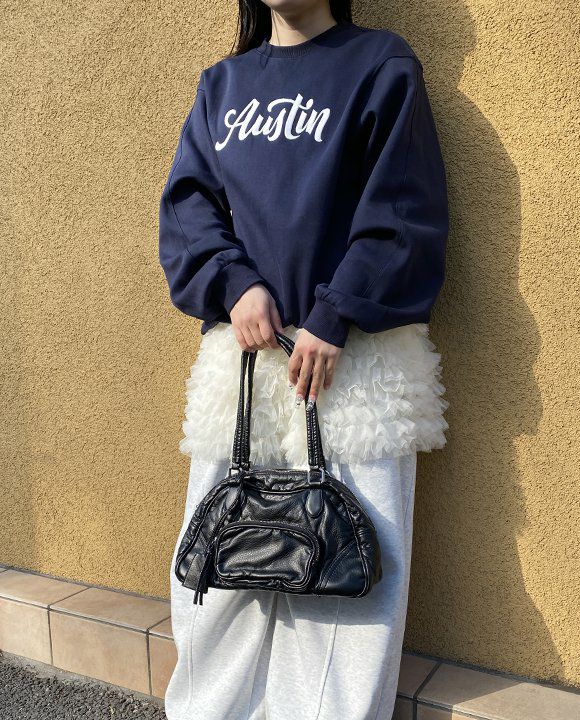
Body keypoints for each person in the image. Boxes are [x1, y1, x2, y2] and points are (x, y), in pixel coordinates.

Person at [158, 3, 449, 719]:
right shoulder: (222, 85)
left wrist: (337, 310)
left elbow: (405, 207)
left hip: (355, 370)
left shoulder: (381, 64)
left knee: (347, 587)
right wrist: (234, 283)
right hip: (247, 371)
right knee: (218, 583)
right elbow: (188, 209)